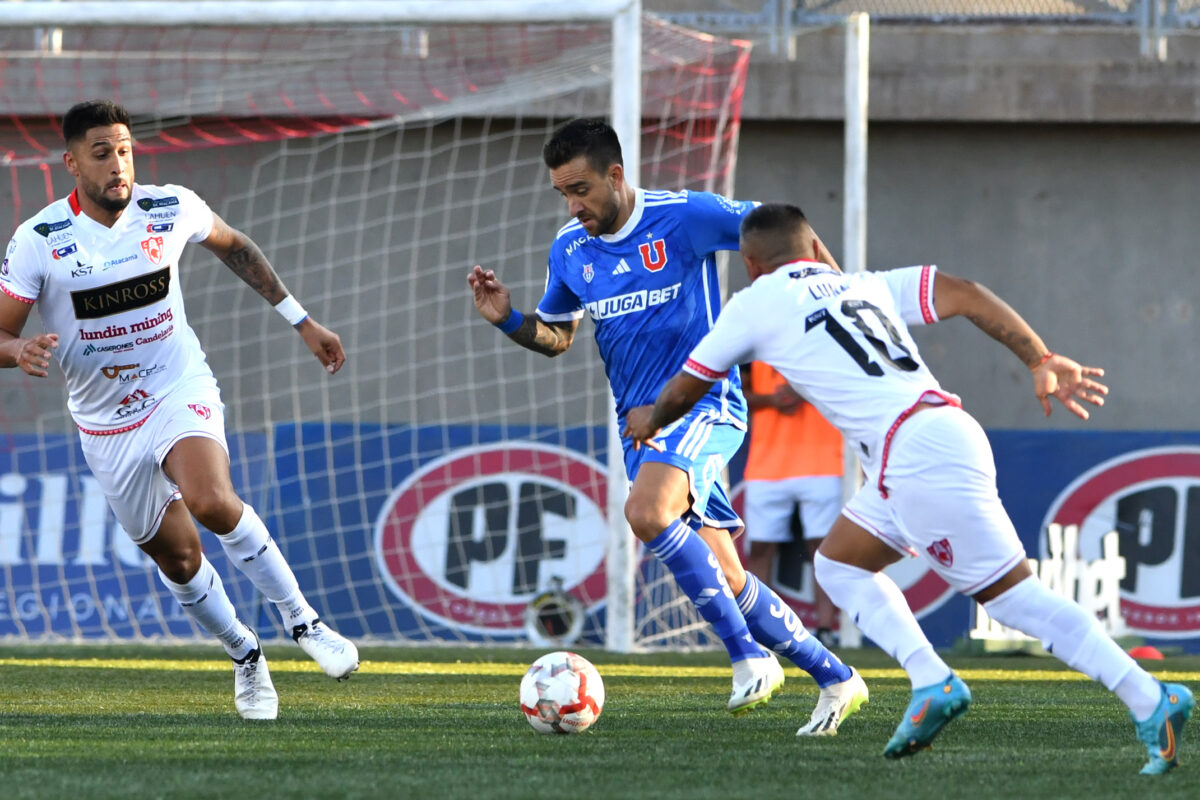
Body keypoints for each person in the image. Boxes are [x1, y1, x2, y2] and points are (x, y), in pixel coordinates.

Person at [624, 203, 1192, 773]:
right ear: (814, 248)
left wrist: (650, 420)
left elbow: (689, 384)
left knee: (1017, 599)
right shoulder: (865, 284)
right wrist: (1038, 357)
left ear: (750, 262)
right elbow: (965, 291)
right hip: (923, 442)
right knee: (839, 565)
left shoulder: (754, 303)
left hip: (917, 454)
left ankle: (1150, 697)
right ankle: (931, 681)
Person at [468, 119, 868, 735]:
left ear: (616, 175)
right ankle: (838, 678)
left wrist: (835, 305)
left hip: (706, 406)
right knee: (728, 578)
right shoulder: (570, 249)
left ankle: (748, 660)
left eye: (580, 189)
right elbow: (558, 337)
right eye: (562, 195)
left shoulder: (685, 216)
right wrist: (507, 318)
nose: (573, 206)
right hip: (642, 430)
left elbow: (792, 231)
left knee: (646, 513)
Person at [0, 100, 359, 721]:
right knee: (180, 558)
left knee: (212, 500)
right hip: (104, 423)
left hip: (177, 387)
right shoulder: (39, 241)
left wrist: (303, 323)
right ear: (71, 163)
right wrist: (20, 349)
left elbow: (235, 245)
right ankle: (246, 654)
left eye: (125, 149)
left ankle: (304, 621)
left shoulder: (170, 206)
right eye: (102, 152)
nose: (119, 165)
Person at [740, 360, 843, 647]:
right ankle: (760, 631)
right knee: (759, 548)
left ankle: (825, 629)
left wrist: (803, 391)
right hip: (765, 464)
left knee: (822, 551)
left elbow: (852, 386)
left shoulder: (826, 333)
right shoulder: (753, 341)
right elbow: (736, 393)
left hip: (825, 462)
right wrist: (771, 399)